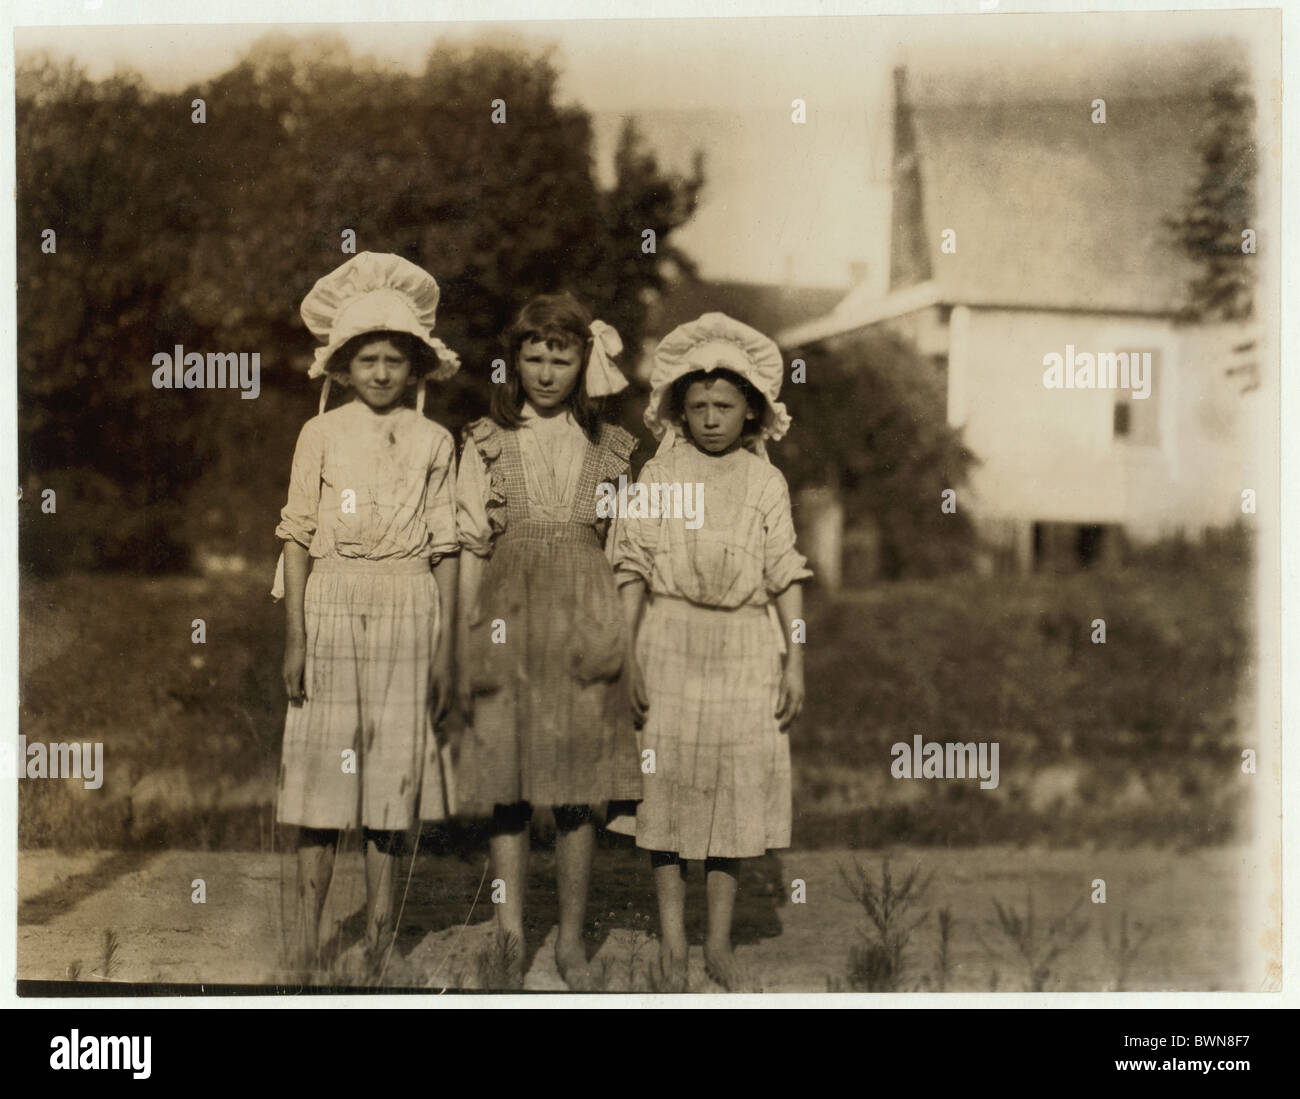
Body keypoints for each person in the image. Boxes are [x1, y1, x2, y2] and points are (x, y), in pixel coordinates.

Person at [607, 312, 811, 991]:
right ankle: (671, 942)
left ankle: (717, 941)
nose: (711, 418)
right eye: (697, 407)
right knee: (666, 794)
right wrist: (628, 656)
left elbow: (785, 572)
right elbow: (631, 567)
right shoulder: (660, 478)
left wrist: (796, 658)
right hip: (669, 637)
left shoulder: (764, 483)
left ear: (751, 409)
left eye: (725, 405)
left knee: (732, 794)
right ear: (678, 410)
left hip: (746, 644)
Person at [273, 252, 462, 974]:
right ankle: (303, 938)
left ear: (416, 367)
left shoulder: (434, 442)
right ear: (342, 367)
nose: (381, 372)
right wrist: (296, 639)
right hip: (331, 605)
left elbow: (445, 547)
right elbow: (295, 535)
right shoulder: (319, 435)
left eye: (394, 359)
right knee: (322, 781)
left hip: (409, 606)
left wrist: (445, 650)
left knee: (391, 781)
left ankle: (381, 934)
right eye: (367, 359)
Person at [454, 292, 640, 988]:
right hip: (508, 620)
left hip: (584, 622)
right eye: (533, 357)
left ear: (583, 362)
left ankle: (569, 938)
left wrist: (624, 639)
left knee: (576, 788)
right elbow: (472, 546)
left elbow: (626, 555)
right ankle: (509, 930)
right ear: (514, 363)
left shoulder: (611, 448)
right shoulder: (485, 443)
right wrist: (466, 636)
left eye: (561, 358)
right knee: (506, 783)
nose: (546, 371)